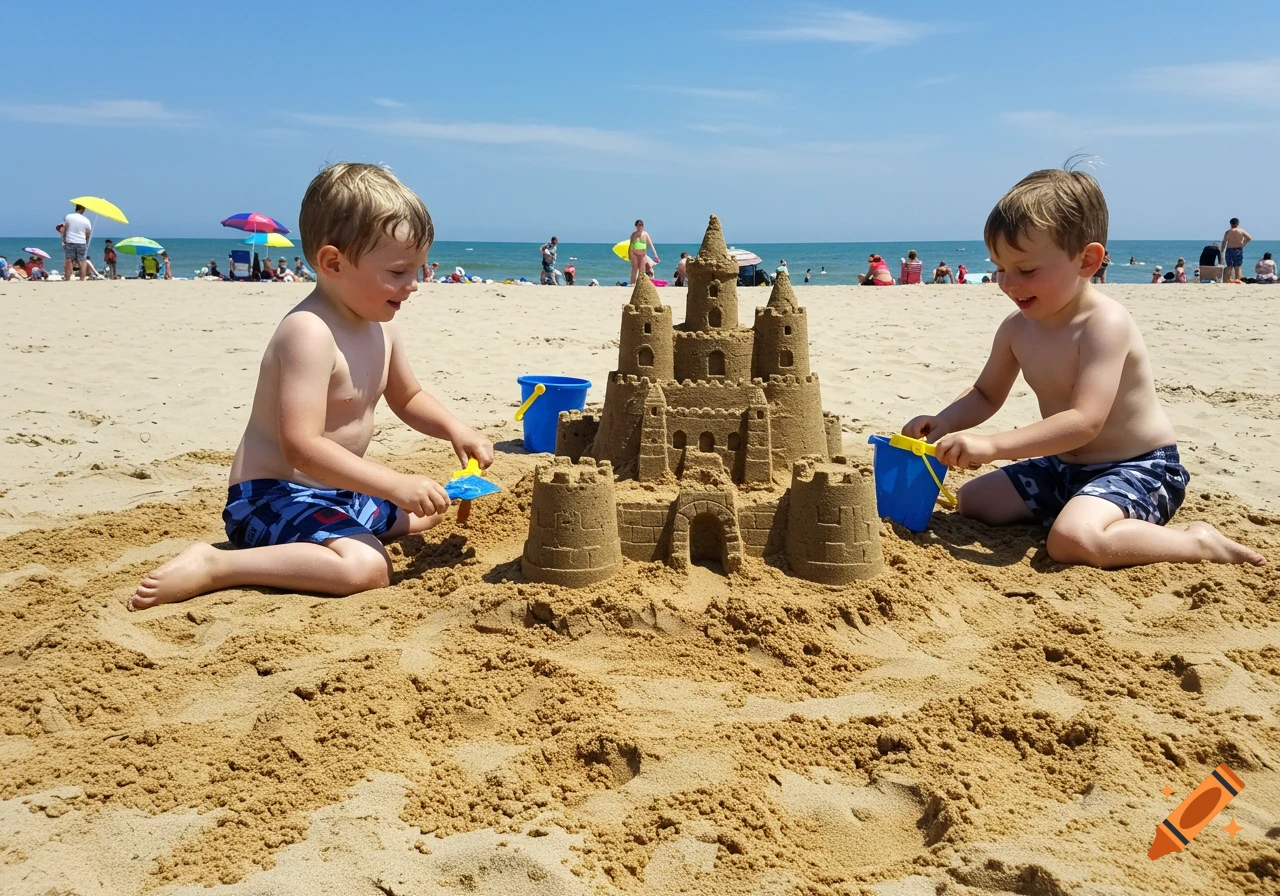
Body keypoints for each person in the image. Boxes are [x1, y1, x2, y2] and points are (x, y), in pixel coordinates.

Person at [131, 161, 494, 610]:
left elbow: (409, 397)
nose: (413, 286)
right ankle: (217, 565)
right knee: (369, 568)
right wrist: (394, 483)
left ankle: (334, 531)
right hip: (273, 496)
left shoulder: (382, 325)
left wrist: (457, 430)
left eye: (418, 270)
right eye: (399, 272)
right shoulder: (309, 332)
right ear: (332, 262)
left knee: (427, 514)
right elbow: (301, 446)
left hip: (336, 492)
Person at [901, 166, 1263, 568]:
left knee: (1072, 541)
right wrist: (944, 421)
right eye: (1001, 268)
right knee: (974, 500)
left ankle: (1198, 544)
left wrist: (992, 447)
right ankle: (1082, 507)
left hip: (1139, 467)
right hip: (1065, 466)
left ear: (1087, 261)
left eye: (1027, 270)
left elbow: (1085, 421)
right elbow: (986, 393)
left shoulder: (1103, 324)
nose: (1008, 283)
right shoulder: (1016, 329)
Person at [62, 204, 93, 281]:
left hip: (70, 241)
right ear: (82, 210)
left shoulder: (68, 217)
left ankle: (67, 278)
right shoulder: (86, 220)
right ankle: (82, 278)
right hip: (81, 241)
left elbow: (65, 228)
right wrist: (86, 241)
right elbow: (88, 232)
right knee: (82, 261)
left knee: (69, 260)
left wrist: (63, 240)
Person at [628, 220, 659, 286]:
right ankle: (632, 283)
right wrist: (629, 254)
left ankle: (641, 284)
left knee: (642, 269)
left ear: (643, 226)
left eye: (641, 225)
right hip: (634, 254)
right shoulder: (633, 235)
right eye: (638, 225)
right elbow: (630, 245)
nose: (639, 226)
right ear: (636, 226)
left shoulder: (645, 234)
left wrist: (655, 255)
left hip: (643, 254)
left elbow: (650, 245)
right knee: (634, 269)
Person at [1222, 217, 1252, 282]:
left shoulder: (1228, 232)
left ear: (1230, 224)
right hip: (1238, 249)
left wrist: (1222, 250)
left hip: (1229, 249)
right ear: (1237, 224)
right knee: (1237, 266)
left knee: (1229, 266)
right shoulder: (1241, 231)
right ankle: (1237, 279)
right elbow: (1249, 238)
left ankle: (1227, 280)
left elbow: (1224, 242)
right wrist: (1243, 244)